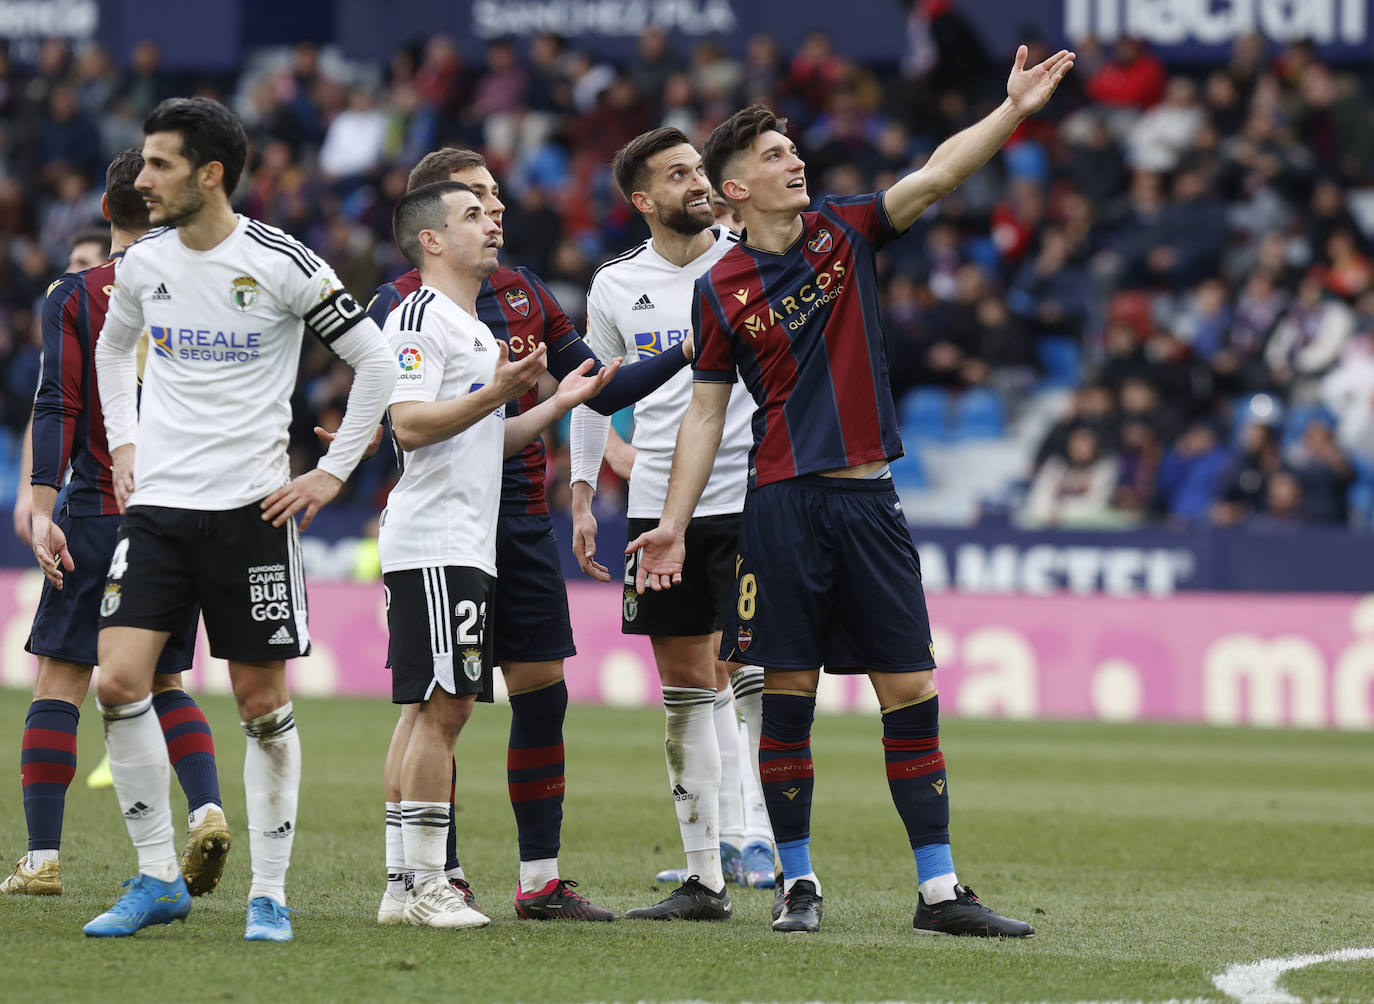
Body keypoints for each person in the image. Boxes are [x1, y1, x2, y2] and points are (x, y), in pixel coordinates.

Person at [628, 44, 1075, 936]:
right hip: (784, 507)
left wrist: (1014, 109)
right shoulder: (720, 290)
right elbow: (705, 417)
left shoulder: (847, 230)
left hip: (871, 502)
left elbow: (942, 172)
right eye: (773, 155)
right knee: (786, 690)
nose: (795, 159)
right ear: (735, 190)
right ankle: (798, 885)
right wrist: (673, 526)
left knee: (909, 687)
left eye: (793, 148)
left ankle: (941, 891)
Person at [83, 97, 395, 941]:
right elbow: (114, 350)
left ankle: (270, 893)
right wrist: (125, 441)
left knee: (259, 701)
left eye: (159, 164)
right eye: (143, 162)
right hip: (158, 510)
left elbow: (373, 362)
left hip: (252, 511)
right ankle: (156, 878)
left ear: (209, 173)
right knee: (117, 681)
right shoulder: (145, 263)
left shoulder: (285, 263)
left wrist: (332, 473)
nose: (141, 180)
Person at [368, 147, 689, 923]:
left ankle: (538, 880)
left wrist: (691, 347)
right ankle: (427, 875)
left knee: (537, 695)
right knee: (438, 703)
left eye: (495, 197)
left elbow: (590, 384)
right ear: (433, 223)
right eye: (475, 201)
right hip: (443, 521)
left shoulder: (517, 294)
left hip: (512, 517)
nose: (495, 210)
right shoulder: (401, 304)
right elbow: (400, 420)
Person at [3, 151, 228, 899]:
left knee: (60, 681)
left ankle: (40, 859)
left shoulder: (76, 294)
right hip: (181, 512)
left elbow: (56, 403)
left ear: (107, 211)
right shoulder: (206, 291)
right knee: (165, 677)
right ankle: (207, 809)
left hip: (97, 507)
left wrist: (39, 504)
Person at [568, 128, 773, 921]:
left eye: (700, 168)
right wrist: (584, 489)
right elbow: (595, 390)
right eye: (679, 173)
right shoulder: (616, 284)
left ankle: (768, 841)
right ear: (643, 200)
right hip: (658, 502)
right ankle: (714, 856)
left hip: (753, 491)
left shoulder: (754, 255)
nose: (699, 181)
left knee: (756, 669)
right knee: (690, 680)